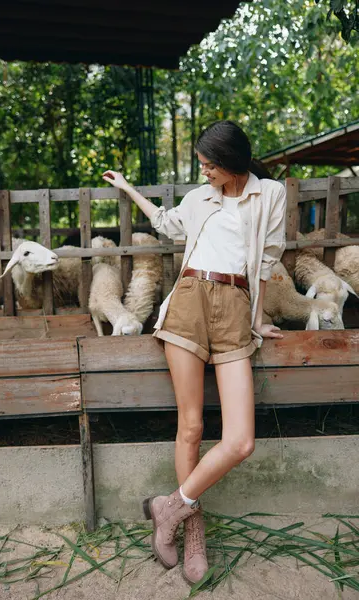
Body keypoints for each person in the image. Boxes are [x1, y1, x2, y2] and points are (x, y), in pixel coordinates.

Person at [103, 120, 287, 585]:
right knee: (191, 426)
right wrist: (127, 188)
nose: (203, 170)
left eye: (211, 164)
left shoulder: (270, 196)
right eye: (202, 162)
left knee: (240, 440)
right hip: (187, 301)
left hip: (234, 307)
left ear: (233, 163)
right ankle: (193, 531)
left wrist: (258, 317)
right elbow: (166, 225)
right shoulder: (197, 198)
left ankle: (170, 508)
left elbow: (266, 261)